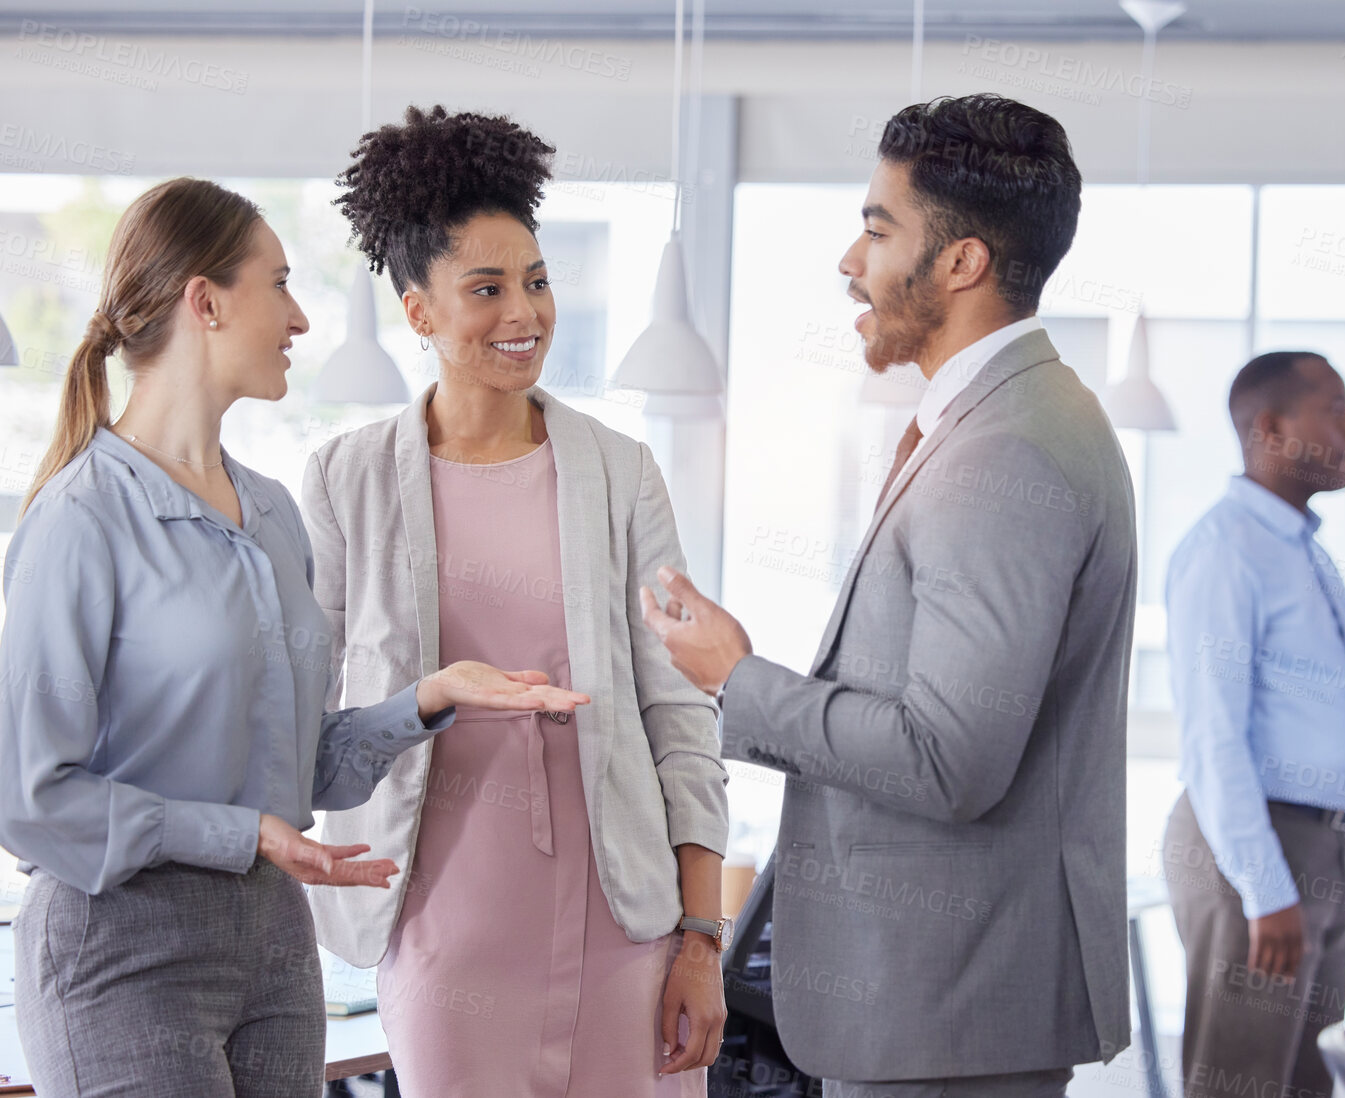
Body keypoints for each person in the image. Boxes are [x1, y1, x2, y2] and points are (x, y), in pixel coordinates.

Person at [0, 177, 586, 1098]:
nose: (301, 318)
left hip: (275, 944)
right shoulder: (81, 518)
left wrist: (426, 700)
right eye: (278, 285)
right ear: (206, 301)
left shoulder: (270, 516)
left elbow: (300, 771)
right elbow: (30, 799)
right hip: (122, 947)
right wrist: (242, 835)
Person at [639, 94, 1137, 1098]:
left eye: (876, 228)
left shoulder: (1009, 452)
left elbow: (950, 757)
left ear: (961, 263)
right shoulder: (1003, 419)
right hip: (935, 1001)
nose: (847, 261)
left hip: (949, 1010)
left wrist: (739, 681)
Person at [305, 105, 729, 1097]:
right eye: (486, 289)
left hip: (624, 924)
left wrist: (701, 938)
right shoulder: (345, 481)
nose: (524, 313)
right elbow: (301, 726)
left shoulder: (621, 473)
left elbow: (679, 714)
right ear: (418, 313)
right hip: (444, 926)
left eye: (536, 282)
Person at [1160, 351, 1345, 1098]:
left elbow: (1319, 732)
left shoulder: (1302, 552)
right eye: (1335, 410)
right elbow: (1213, 738)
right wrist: (1266, 889)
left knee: (1309, 1083)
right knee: (1241, 1086)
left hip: (1318, 844)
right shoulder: (1225, 553)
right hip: (1254, 846)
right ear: (1272, 428)